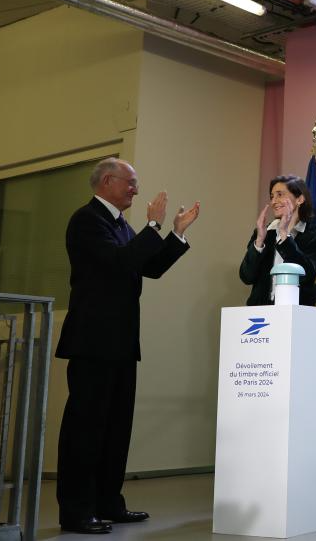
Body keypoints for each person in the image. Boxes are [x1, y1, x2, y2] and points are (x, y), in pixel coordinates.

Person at [56, 158, 199, 535]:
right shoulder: (86, 220)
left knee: (116, 428)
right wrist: (152, 225)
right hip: (93, 342)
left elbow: (148, 266)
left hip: (120, 341)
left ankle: (108, 503)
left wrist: (176, 234)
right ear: (107, 181)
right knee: (86, 429)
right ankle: (76, 511)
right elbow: (120, 262)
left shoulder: (119, 224)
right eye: (130, 182)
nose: (136, 189)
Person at [239, 175, 316, 306]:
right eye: (272, 196)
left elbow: (305, 274)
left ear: (299, 199)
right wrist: (259, 241)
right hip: (260, 313)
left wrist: (284, 235)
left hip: (295, 312)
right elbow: (246, 277)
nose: (273, 201)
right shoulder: (264, 233)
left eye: (280, 195)